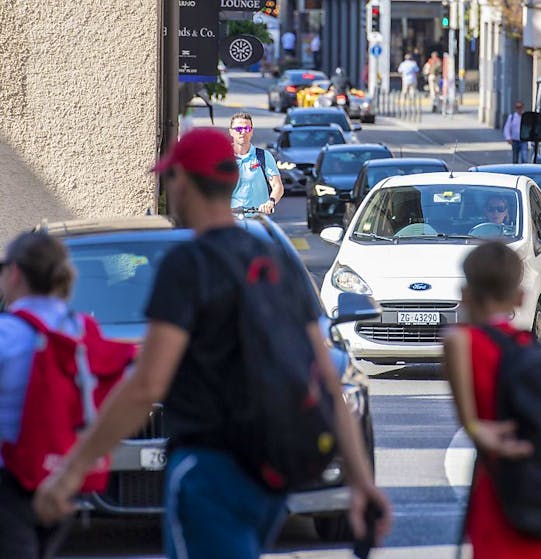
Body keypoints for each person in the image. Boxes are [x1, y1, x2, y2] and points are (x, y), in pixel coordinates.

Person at [32, 128, 392, 557]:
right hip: (269, 473)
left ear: (182, 181)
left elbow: (147, 385)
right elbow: (327, 382)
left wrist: (73, 471)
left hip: (209, 470)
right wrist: (363, 484)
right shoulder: (272, 257)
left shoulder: (189, 264)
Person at [442, 242, 541, 559]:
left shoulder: (464, 342)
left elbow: (469, 420)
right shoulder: (531, 351)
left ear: (465, 292)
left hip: (501, 495)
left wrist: (476, 429)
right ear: (520, 297)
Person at [0, 232, 79, 557]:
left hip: (8, 481)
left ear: (15, 272)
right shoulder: (80, 328)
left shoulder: (6, 332)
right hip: (62, 477)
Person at [228, 112, 284, 214]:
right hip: (230, 220)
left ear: (252, 131)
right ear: (231, 132)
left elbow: (277, 186)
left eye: (247, 129)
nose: (243, 132)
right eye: (238, 129)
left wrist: (270, 202)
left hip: (258, 218)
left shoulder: (263, 156)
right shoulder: (223, 157)